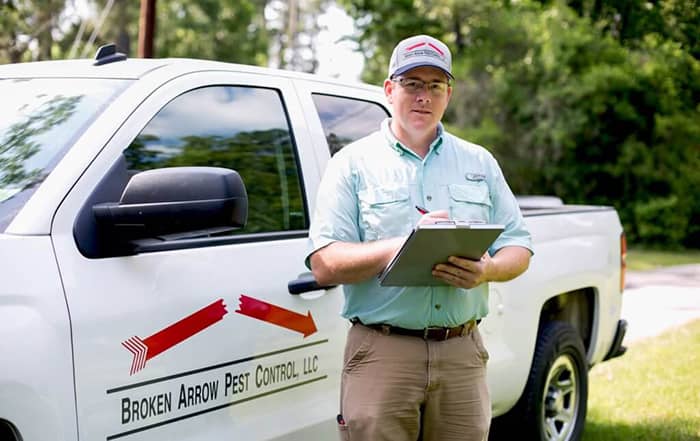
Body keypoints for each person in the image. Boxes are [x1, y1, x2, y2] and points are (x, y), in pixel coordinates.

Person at [306, 34, 533, 441]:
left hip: (462, 352)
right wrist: (404, 244)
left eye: (434, 85)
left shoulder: (479, 162)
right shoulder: (352, 165)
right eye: (412, 84)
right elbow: (325, 263)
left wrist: (489, 270)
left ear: (449, 93)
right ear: (390, 90)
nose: (423, 97)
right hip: (381, 352)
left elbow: (519, 246)